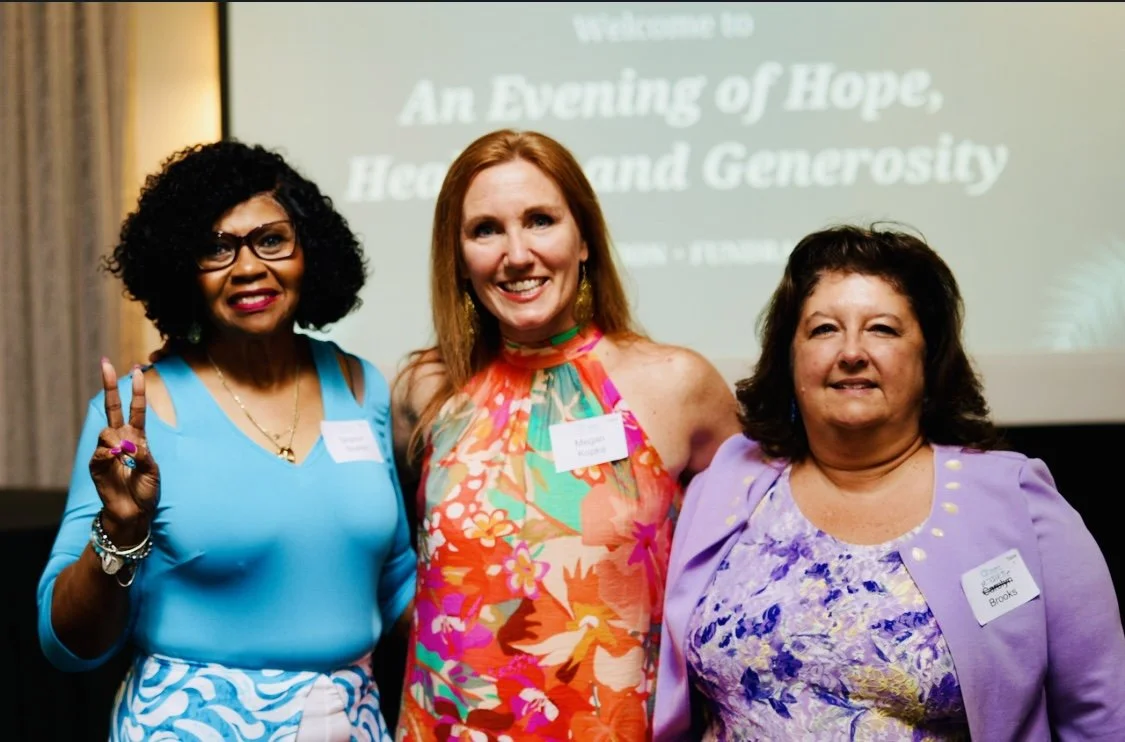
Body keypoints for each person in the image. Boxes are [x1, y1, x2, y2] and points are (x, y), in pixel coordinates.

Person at [654, 224, 1125, 740]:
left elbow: (1099, 714)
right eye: (823, 329)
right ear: (790, 360)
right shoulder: (729, 481)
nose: (851, 351)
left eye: (882, 328)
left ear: (928, 359)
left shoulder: (1017, 503)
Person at [36, 141, 416, 741]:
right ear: (182, 269)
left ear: (307, 251)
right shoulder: (140, 417)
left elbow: (396, 579)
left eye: (271, 239)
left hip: (352, 718)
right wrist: (121, 532)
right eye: (216, 248)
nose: (247, 267)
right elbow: (66, 642)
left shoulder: (360, 384)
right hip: (193, 722)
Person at [389, 128, 741, 740]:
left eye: (541, 220)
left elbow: (747, 563)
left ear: (584, 240)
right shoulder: (426, 390)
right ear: (458, 255)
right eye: (486, 230)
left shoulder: (675, 384)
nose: (517, 254)